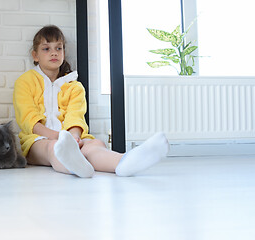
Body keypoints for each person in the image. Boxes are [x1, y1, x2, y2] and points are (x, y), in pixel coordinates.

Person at [13, 25, 169, 178]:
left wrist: (74, 138)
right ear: (35, 55)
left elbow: (76, 116)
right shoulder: (25, 82)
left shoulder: (74, 86)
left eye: (58, 48)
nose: (54, 53)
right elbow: (30, 121)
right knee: (52, 147)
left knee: (95, 146)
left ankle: (124, 162)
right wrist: (61, 138)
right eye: (46, 49)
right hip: (38, 141)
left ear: (64, 52)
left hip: (72, 138)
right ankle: (74, 165)